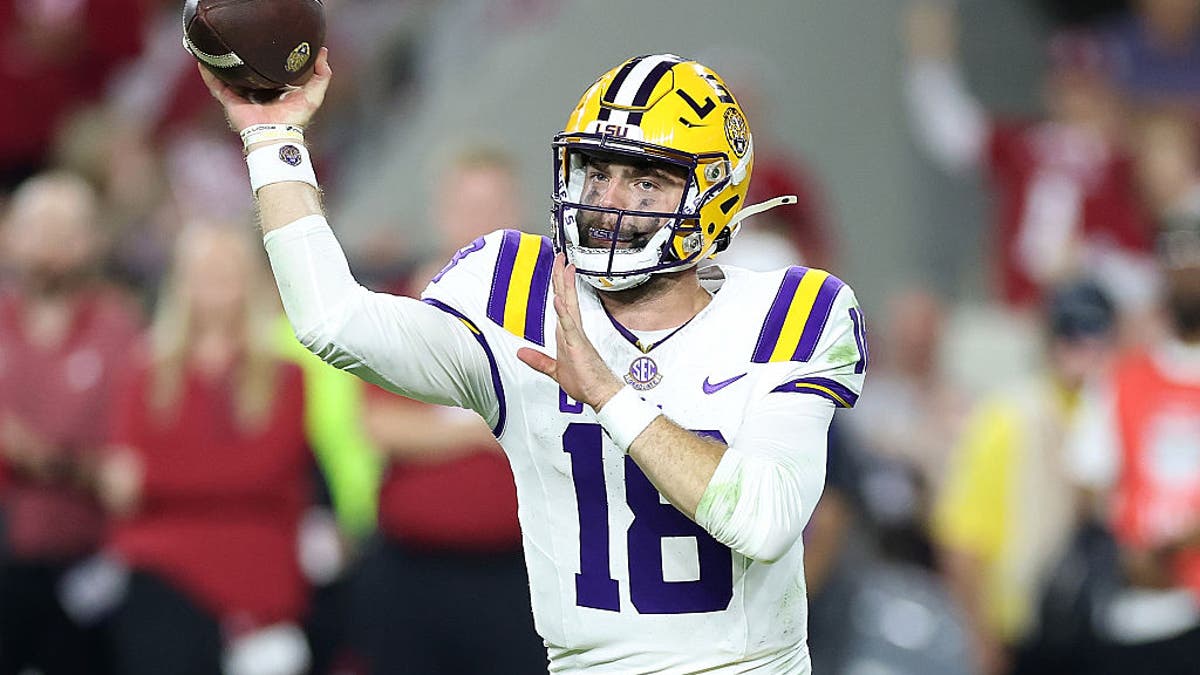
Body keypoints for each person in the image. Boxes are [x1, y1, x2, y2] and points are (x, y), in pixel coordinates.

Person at [199, 50, 867, 672]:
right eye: (597, 170)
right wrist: (272, 140)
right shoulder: (517, 290)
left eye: (645, 179)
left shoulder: (792, 311)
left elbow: (765, 517)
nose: (610, 200)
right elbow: (332, 321)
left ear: (715, 195)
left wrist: (608, 393)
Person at [348, 147, 544, 674]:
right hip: (413, 567)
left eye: (493, 205)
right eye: (469, 206)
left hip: (522, 569)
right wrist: (487, 428)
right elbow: (381, 425)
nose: (479, 222)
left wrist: (443, 425)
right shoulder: (399, 308)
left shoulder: (551, 309)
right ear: (443, 211)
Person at [97, 224, 314, 675]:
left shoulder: (286, 377)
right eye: (202, 271)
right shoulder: (143, 374)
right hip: (162, 576)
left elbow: (264, 471)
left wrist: (155, 477)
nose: (214, 283)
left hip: (258, 582)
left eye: (226, 271)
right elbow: (119, 488)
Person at [934, 279, 1117, 675]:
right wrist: (979, 637)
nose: (1084, 352)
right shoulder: (1007, 417)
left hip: (1107, 625)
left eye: (1096, 338)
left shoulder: (1119, 412)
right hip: (1025, 632)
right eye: (1071, 337)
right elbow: (963, 541)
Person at [0, 171, 141, 675]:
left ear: (93, 240)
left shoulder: (119, 331)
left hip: (85, 555)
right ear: (11, 234)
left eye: (67, 230)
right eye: (39, 228)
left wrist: (44, 459)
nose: (52, 246)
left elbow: (127, 462)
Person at [1065, 215, 1200, 674]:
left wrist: (1179, 545)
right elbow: (1089, 486)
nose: (1187, 271)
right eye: (1176, 256)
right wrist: (1125, 552)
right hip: (1136, 618)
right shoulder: (1120, 380)